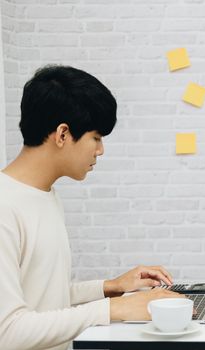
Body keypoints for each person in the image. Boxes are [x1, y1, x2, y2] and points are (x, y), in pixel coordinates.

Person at [0, 65, 181, 350]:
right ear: (62, 134)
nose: (100, 150)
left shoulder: (45, 195)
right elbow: (7, 332)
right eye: (96, 138)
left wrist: (111, 287)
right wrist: (116, 309)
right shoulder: (5, 207)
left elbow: (44, 298)